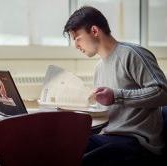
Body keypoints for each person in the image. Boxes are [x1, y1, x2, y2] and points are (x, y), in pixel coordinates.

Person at [63, 6, 167, 166]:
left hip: (136, 141)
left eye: (77, 38)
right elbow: (108, 109)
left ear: (95, 31)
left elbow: (162, 91)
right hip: (109, 136)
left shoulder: (133, 54)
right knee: (64, 146)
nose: (76, 45)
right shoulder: (99, 67)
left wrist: (116, 96)